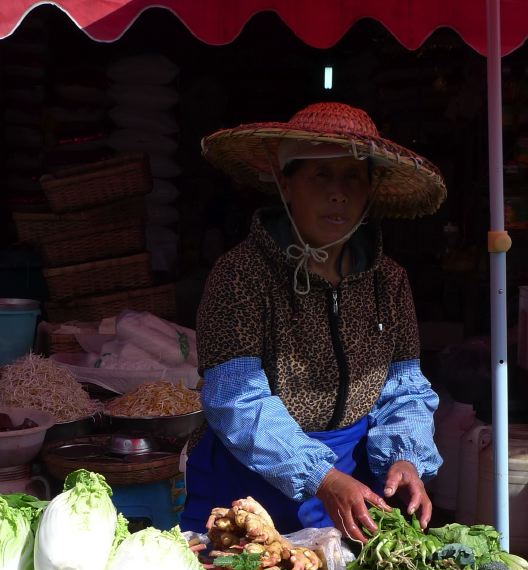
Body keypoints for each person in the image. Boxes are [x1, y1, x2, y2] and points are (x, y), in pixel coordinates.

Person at [181, 103, 446, 543]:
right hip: (248, 481)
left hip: (352, 484)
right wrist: (320, 475)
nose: (338, 193)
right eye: (321, 175)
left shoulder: (388, 281)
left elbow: (405, 388)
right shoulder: (241, 276)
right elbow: (236, 399)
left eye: (352, 177)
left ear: (370, 190)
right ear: (286, 183)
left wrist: (405, 457)